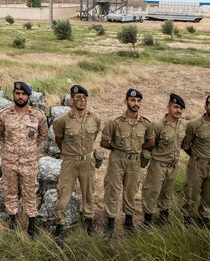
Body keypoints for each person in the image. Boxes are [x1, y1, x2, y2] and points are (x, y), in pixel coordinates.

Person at [0, 81, 48, 237]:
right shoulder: (4, 115)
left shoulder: (38, 115)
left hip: (29, 163)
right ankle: (13, 223)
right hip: (9, 162)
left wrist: (29, 148)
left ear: (28, 96)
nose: (20, 96)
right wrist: (13, 147)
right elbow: (0, 134)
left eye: (23, 94)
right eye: (17, 93)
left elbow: (43, 135)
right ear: (13, 95)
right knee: (10, 192)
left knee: (30, 193)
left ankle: (32, 225)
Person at [100, 88, 154, 237]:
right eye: (132, 100)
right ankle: (110, 222)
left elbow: (151, 141)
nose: (135, 103)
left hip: (135, 161)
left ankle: (129, 220)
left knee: (131, 190)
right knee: (112, 190)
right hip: (117, 160)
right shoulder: (115, 122)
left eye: (138, 101)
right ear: (126, 102)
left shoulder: (146, 123)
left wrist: (137, 149)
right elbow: (104, 142)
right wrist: (118, 149)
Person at [52, 85, 102, 246]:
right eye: (78, 97)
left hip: (87, 161)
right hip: (70, 162)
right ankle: (60, 225)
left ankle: (88, 221)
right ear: (71, 100)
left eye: (84, 97)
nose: (82, 100)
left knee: (89, 192)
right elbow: (59, 139)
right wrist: (69, 153)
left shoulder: (95, 118)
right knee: (64, 193)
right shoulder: (62, 120)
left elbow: (93, 137)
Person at [181, 94, 210, 228]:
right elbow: (186, 145)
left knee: (209, 197)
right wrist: (197, 157)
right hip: (197, 166)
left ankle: (204, 219)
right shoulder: (194, 125)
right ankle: (187, 218)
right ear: (205, 106)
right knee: (190, 193)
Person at [141, 93, 187, 227]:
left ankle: (163, 218)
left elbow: (185, 143)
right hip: (158, 165)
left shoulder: (183, 125)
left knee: (167, 193)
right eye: (175, 107)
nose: (178, 110)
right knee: (152, 192)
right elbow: (149, 144)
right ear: (168, 107)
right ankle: (147, 221)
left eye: (181, 108)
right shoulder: (159, 125)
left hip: (173, 166)